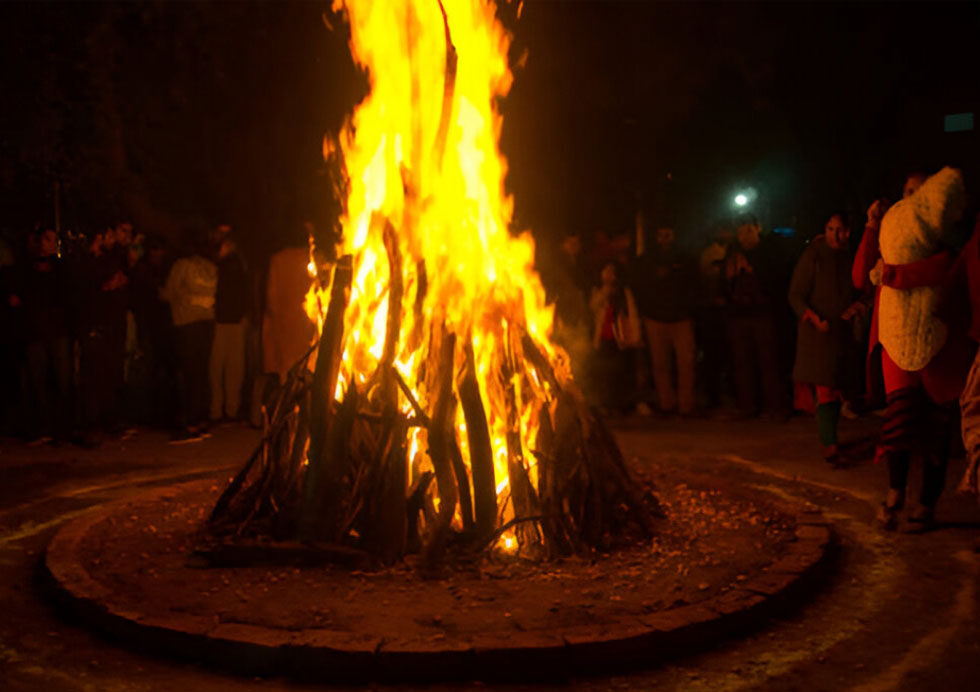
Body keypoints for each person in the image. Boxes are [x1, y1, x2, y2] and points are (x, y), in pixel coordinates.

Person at [871, 167, 974, 531]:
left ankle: (927, 503)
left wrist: (894, 275)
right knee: (898, 417)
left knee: (936, 426)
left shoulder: (950, 239)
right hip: (896, 336)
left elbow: (947, 270)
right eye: (908, 192)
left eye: (920, 192)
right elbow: (863, 272)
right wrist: (871, 228)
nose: (913, 199)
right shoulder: (892, 236)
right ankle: (895, 493)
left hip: (939, 340)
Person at [788, 212, 865, 463]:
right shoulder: (814, 254)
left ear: (848, 232)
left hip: (841, 334)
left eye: (839, 230)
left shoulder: (850, 255)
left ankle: (832, 438)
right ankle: (830, 444)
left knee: (838, 387)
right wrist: (813, 317)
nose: (835, 235)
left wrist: (857, 307)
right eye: (831, 229)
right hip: (818, 335)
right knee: (825, 390)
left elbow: (860, 289)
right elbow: (796, 294)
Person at [724, 216, 787, 419]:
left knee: (768, 362)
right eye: (741, 233)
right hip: (739, 315)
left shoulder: (769, 252)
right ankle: (747, 406)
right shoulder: (733, 253)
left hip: (763, 315)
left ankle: (774, 407)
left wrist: (753, 269)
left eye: (749, 231)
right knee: (742, 363)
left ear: (758, 229)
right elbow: (725, 285)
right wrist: (730, 274)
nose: (745, 237)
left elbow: (778, 280)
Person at [633, 225, 698, 416]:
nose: (664, 238)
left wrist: (688, 309)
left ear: (674, 235)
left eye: (667, 234)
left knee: (685, 363)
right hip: (655, 318)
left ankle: (685, 405)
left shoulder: (685, 258)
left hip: (681, 319)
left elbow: (693, 285)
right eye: (661, 235)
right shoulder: (647, 260)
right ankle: (666, 403)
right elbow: (641, 287)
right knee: (660, 364)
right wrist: (646, 310)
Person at [13, 228, 71, 442]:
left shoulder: (61, 268)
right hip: (36, 332)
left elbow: (66, 295)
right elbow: (19, 296)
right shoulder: (26, 268)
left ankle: (62, 427)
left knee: (62, 379)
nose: (52, 244)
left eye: (54, 240)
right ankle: (41, 426)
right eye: (48, 239)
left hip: (57, 330)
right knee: (37, 380)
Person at [163, 229, 217, 440]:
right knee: (202, 372)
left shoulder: (181, 266)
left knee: (188, 373)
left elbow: (169, 293)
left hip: (186, 323)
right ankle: (202, 419)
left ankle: (190, 423)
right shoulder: (210, 267)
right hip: (207, 323)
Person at [262, 226, 315, 385]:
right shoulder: (309, 260)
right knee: (301, 367)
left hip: (283, 321)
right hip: (303, 321)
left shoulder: (278, 259)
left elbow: (271, 297)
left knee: (283, 369)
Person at [589, 261, 641, 413]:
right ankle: (606, 404)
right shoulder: (597, 290)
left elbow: (632, 313)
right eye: (606, 272)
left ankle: (622, 404)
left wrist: (636, 335)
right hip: (603, 337)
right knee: (604, 373)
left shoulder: (624, 291)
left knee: (621, 372)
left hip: (620, 337)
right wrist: (606, 291)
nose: (609, 275)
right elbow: (593, 306)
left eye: (612, 272)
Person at [210, 233, 249, 422]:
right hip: (231, 320)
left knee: (219, 367)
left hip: (224, 321)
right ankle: (227, 409)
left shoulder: (224, 265)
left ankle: (219, 409)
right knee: (230, 368)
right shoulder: (238, 265)